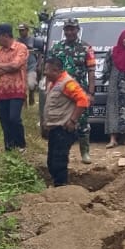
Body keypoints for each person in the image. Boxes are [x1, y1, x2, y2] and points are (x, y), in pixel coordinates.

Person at [48, 17, 97, 164]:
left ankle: (85, 152)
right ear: (64, 31)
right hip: (60, 92)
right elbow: (49, 70)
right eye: (67, 29)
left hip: (79, 91)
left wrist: (91, 93)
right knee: (59, 122)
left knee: (82, 123)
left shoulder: (86, 48)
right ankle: (62, 154)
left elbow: (91, 72)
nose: (70, 32)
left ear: (77, 30)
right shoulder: (56, 48)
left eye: (72, 29)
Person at [39, 54, 90, 187]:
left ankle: (61, 186)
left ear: (56, 70)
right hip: (54, 129)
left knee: (59, 160)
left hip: (63, 129)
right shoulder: (54, 83)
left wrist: (72, 120)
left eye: (48, 69)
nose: (45, 72)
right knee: (51, 160)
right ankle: (57, 183)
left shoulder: (67, 83)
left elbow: (83, 100)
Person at [0, 23, 30, 152]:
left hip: (17, 89)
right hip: (2, 91)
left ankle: (21, 144)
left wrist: (1, 66)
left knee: (14, 118)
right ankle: (9, 146)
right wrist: (7, 67)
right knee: (4, 120)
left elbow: (16, 65)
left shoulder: (21, 48)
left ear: (5, 36)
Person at [19, 22, 40, 106]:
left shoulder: (33, 40)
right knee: (22, 88)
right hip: (20, 67)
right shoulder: (17, 41)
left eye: (23, 30)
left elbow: (39, 53)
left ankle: (31, 94)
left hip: (32, 65)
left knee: (31, 84)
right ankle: (25, 105)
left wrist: (38, 64)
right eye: (20, 31)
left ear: (27, 30)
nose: (21, 32)